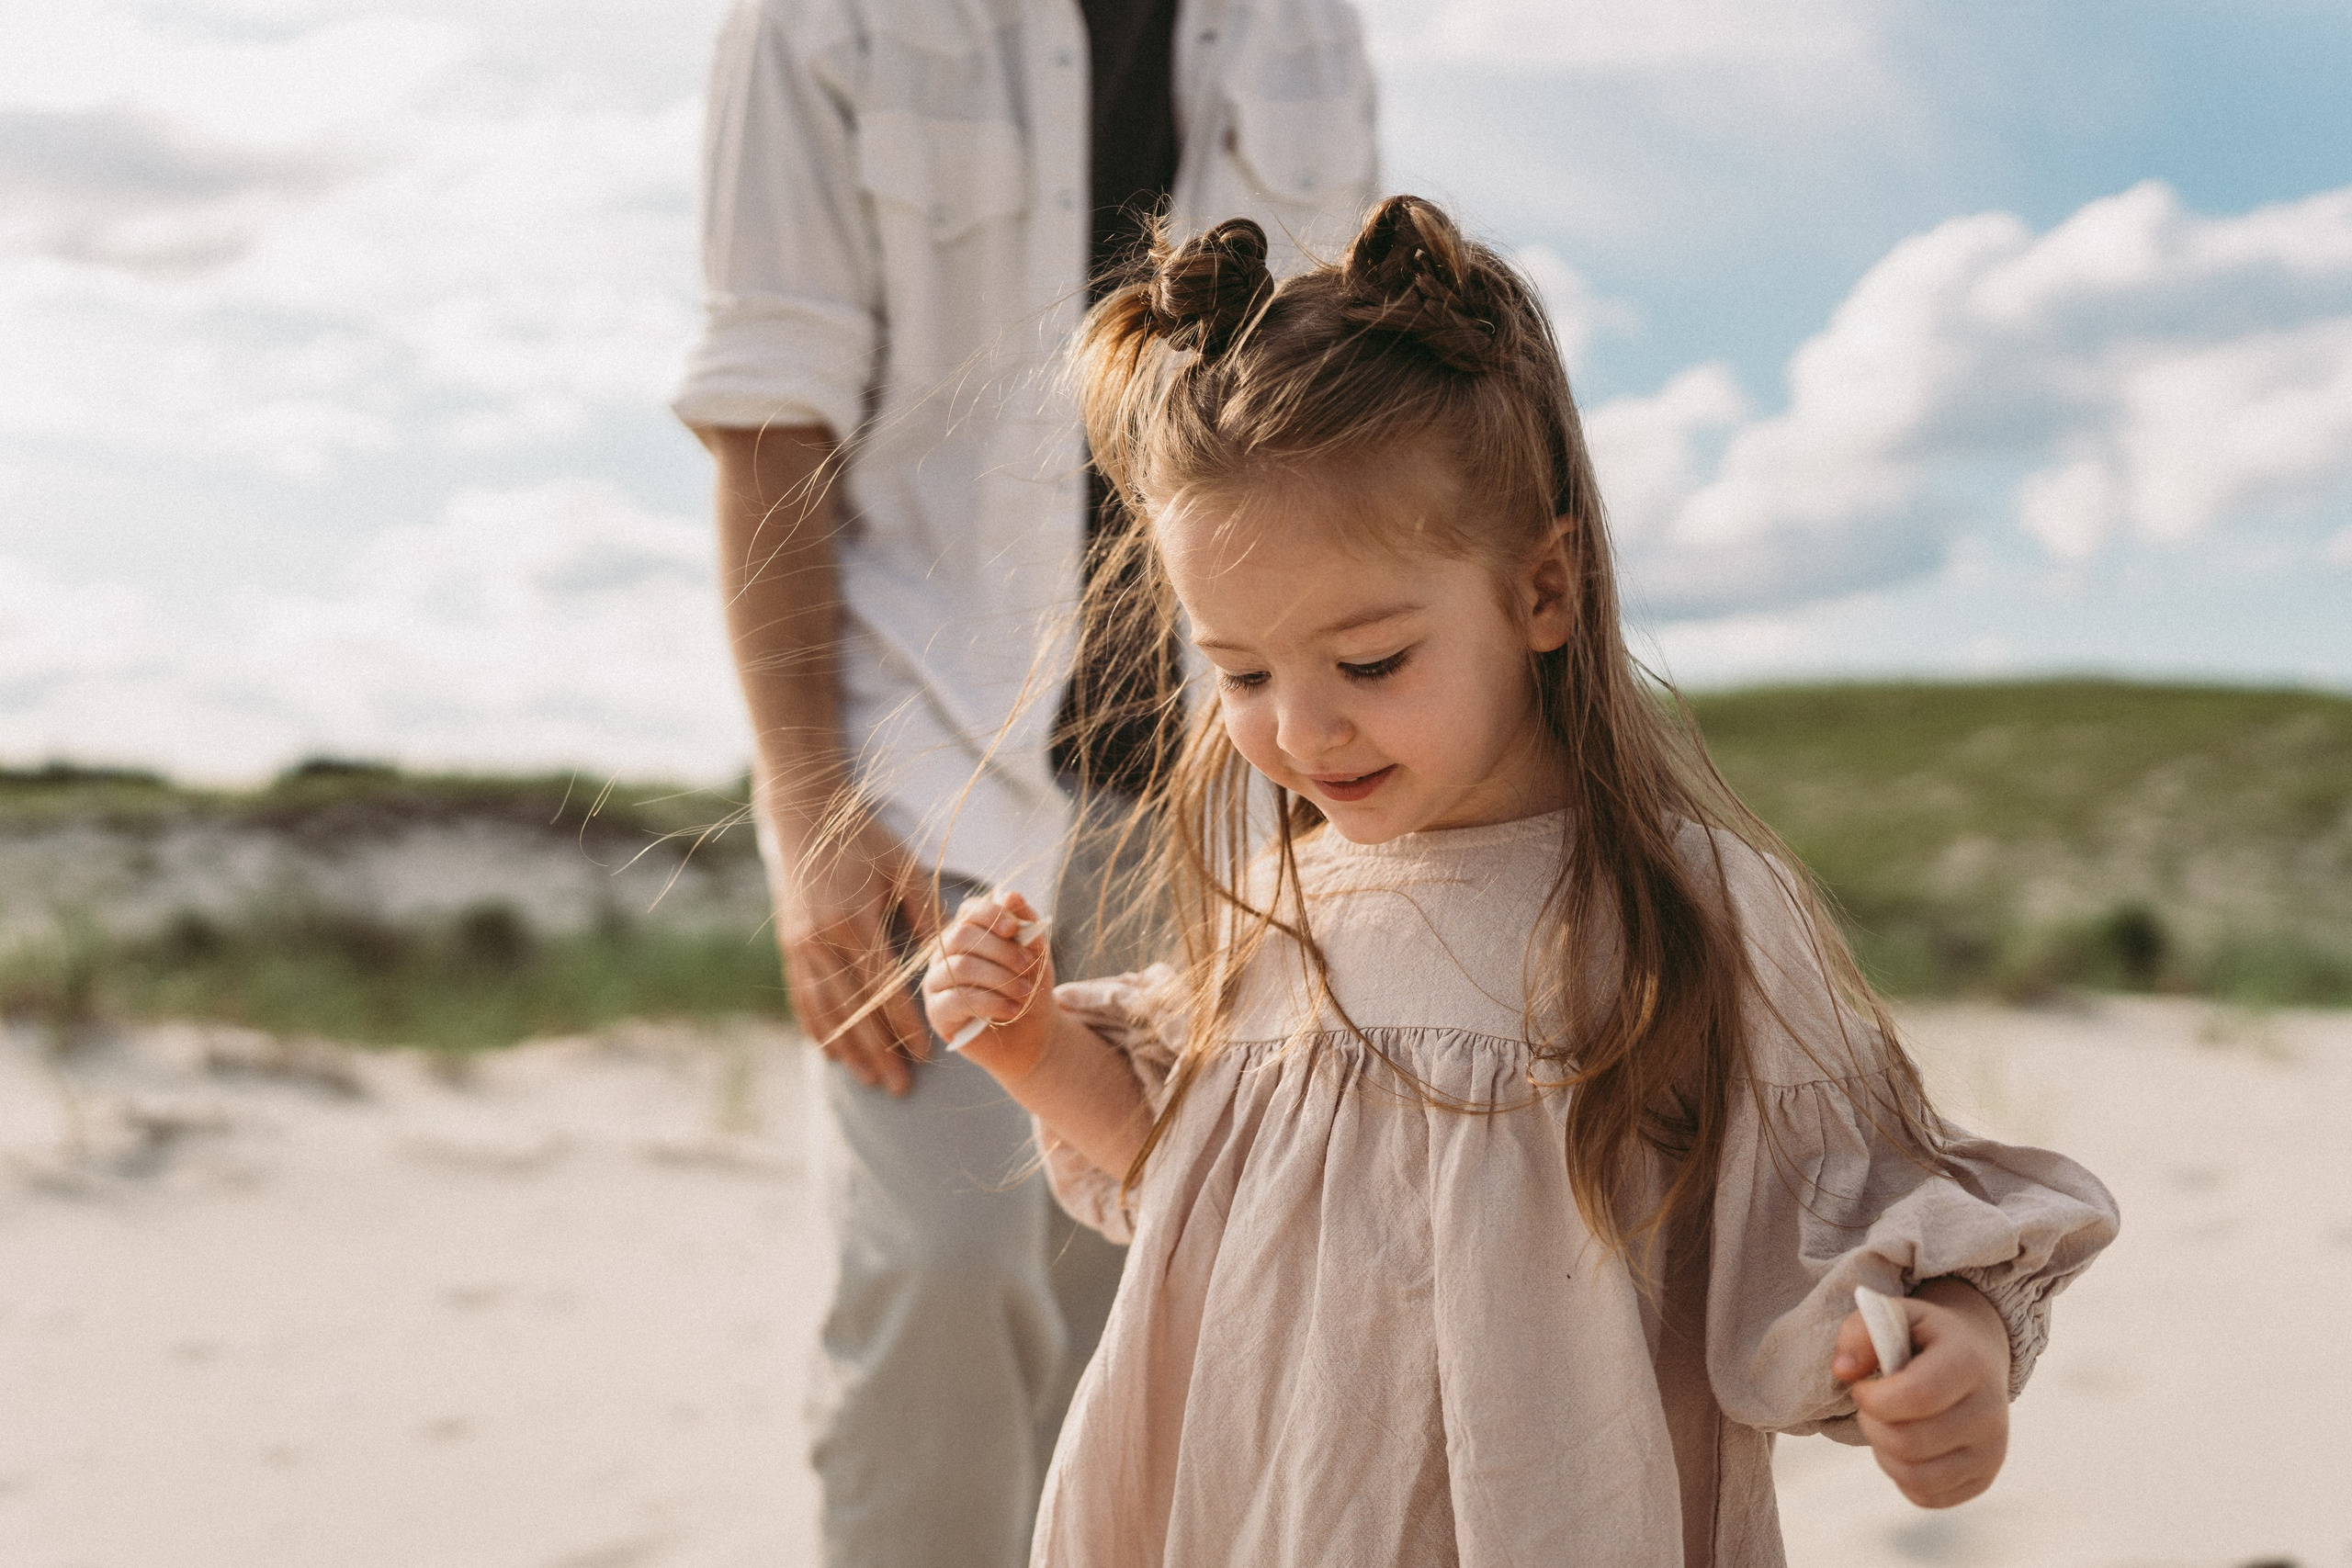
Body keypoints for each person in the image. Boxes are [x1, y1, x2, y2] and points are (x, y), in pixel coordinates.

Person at [921, 196, 2122, 1566]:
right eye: (1244, 673)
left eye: (1370, 663)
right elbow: (1185, 1176)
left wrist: (1950, 1356)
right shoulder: (1286, 899)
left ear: (1542, 591)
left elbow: (1852, 1206)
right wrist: (1028, 1045)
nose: (1301, 732)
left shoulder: (1677, 908)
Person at [668, 1, 1377, 1563]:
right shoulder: (818, 21)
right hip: (924, 793)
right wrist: (806, 816)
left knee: (1158, 1323)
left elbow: (1350, 410)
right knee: (934, 1282)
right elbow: (766, 413)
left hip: (1232, 798)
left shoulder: (1301, 24)